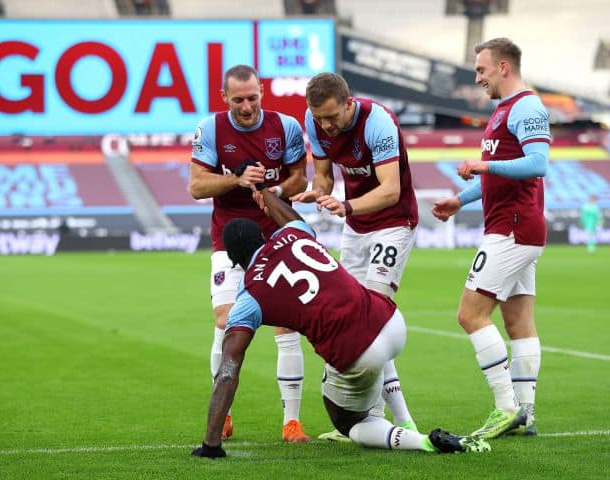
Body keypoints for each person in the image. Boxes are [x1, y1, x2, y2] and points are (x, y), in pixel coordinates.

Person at [191, 187, 491, 458]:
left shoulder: (249, 296)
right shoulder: (293, 234)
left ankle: (423, 441)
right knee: (372, 340)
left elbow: (228, 370)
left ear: (233, 261)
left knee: (352, 424)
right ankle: (405, 418)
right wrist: (267, 195)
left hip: (358, 351)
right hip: (390, 320)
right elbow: (291, 217)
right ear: (263, 236)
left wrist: (210, 444)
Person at [432, 38, 551, 439]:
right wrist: (459, 199)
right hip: (514, 225)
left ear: (503, 66)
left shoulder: (526, 106)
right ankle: (526, 415)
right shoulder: (503, 110)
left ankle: (505, 408)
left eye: (481, 70)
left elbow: (538, 164)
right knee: (518, 323)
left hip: (512, 228)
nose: (478, 79)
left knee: (470, 315)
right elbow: (499, 175)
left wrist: (482, 164)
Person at [291, 72, 419, 441]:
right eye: (319, 119)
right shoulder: (314, 122)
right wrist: (316, 193)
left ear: (348, 104)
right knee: (353, 322)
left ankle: (399, 419)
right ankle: (373, 418)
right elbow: (324, 177)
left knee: (371, 321)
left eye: (332, 117)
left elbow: (391, 191)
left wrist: (345, 205)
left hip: (393, 223)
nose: (326, 126)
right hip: (356, 228)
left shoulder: (378, 122)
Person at [188, 64, 310, 443]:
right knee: (226, 321)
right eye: (238, 99)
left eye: (253, 97)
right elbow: (196, 186)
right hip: (228, 240)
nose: (246, 106)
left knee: (286, 324)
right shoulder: (210, 129)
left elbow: (300, 177)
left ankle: (292, 423)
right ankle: (222, 415)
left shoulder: (285, 126)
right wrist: (236, 179)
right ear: (225, 98)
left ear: (261, 92)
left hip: (276, 236)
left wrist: (274, 192)